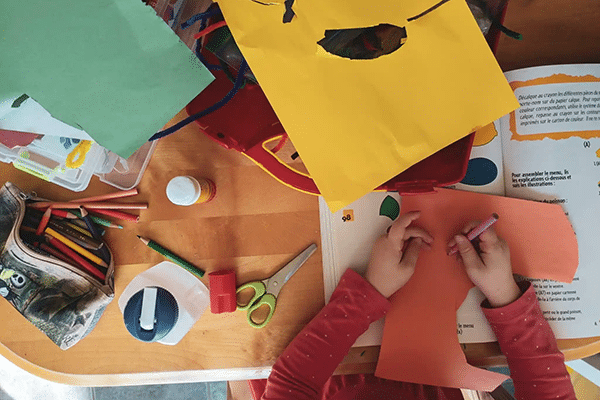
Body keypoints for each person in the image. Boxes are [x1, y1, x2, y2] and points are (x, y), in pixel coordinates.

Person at [248, 211, 577, 400]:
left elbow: (291, 383)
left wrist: (369, 292)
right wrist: (505, 295)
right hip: (433, 374)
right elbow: (548, 388)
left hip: (333, 373)